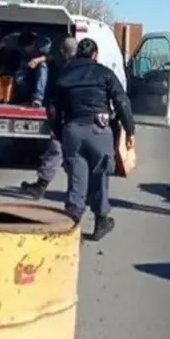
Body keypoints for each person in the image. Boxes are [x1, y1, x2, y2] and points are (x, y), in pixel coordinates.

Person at [50, 37, 135, 241]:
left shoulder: (65, 75)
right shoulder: (104, 73)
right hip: (99, 131)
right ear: (95, 55)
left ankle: (71, 225)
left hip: (73, 130)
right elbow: (122, 102)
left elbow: (53, 109)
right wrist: (129, 130)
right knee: (100, 178)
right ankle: (100, 222)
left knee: (76, 179)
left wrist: (60, 132)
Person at [20, 36, 79, 199]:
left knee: (58, 150)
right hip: (80, 118)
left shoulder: (65, 68)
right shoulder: (83, 67)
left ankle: (45, 187)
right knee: (64, 153)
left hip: (66, 117)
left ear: (62, 51)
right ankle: (76, 191)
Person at [0, 31, 50, 106]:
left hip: (39, 61)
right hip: (23, 60)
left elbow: (51, 57)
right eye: (23, 47)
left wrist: (37, 60)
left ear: (34, 43)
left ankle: (38, 98)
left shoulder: (44, 42)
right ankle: (25, 98)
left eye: (28, 47)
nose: (26, 49)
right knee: (19, 73)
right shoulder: (12, 38)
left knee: (43, 66)